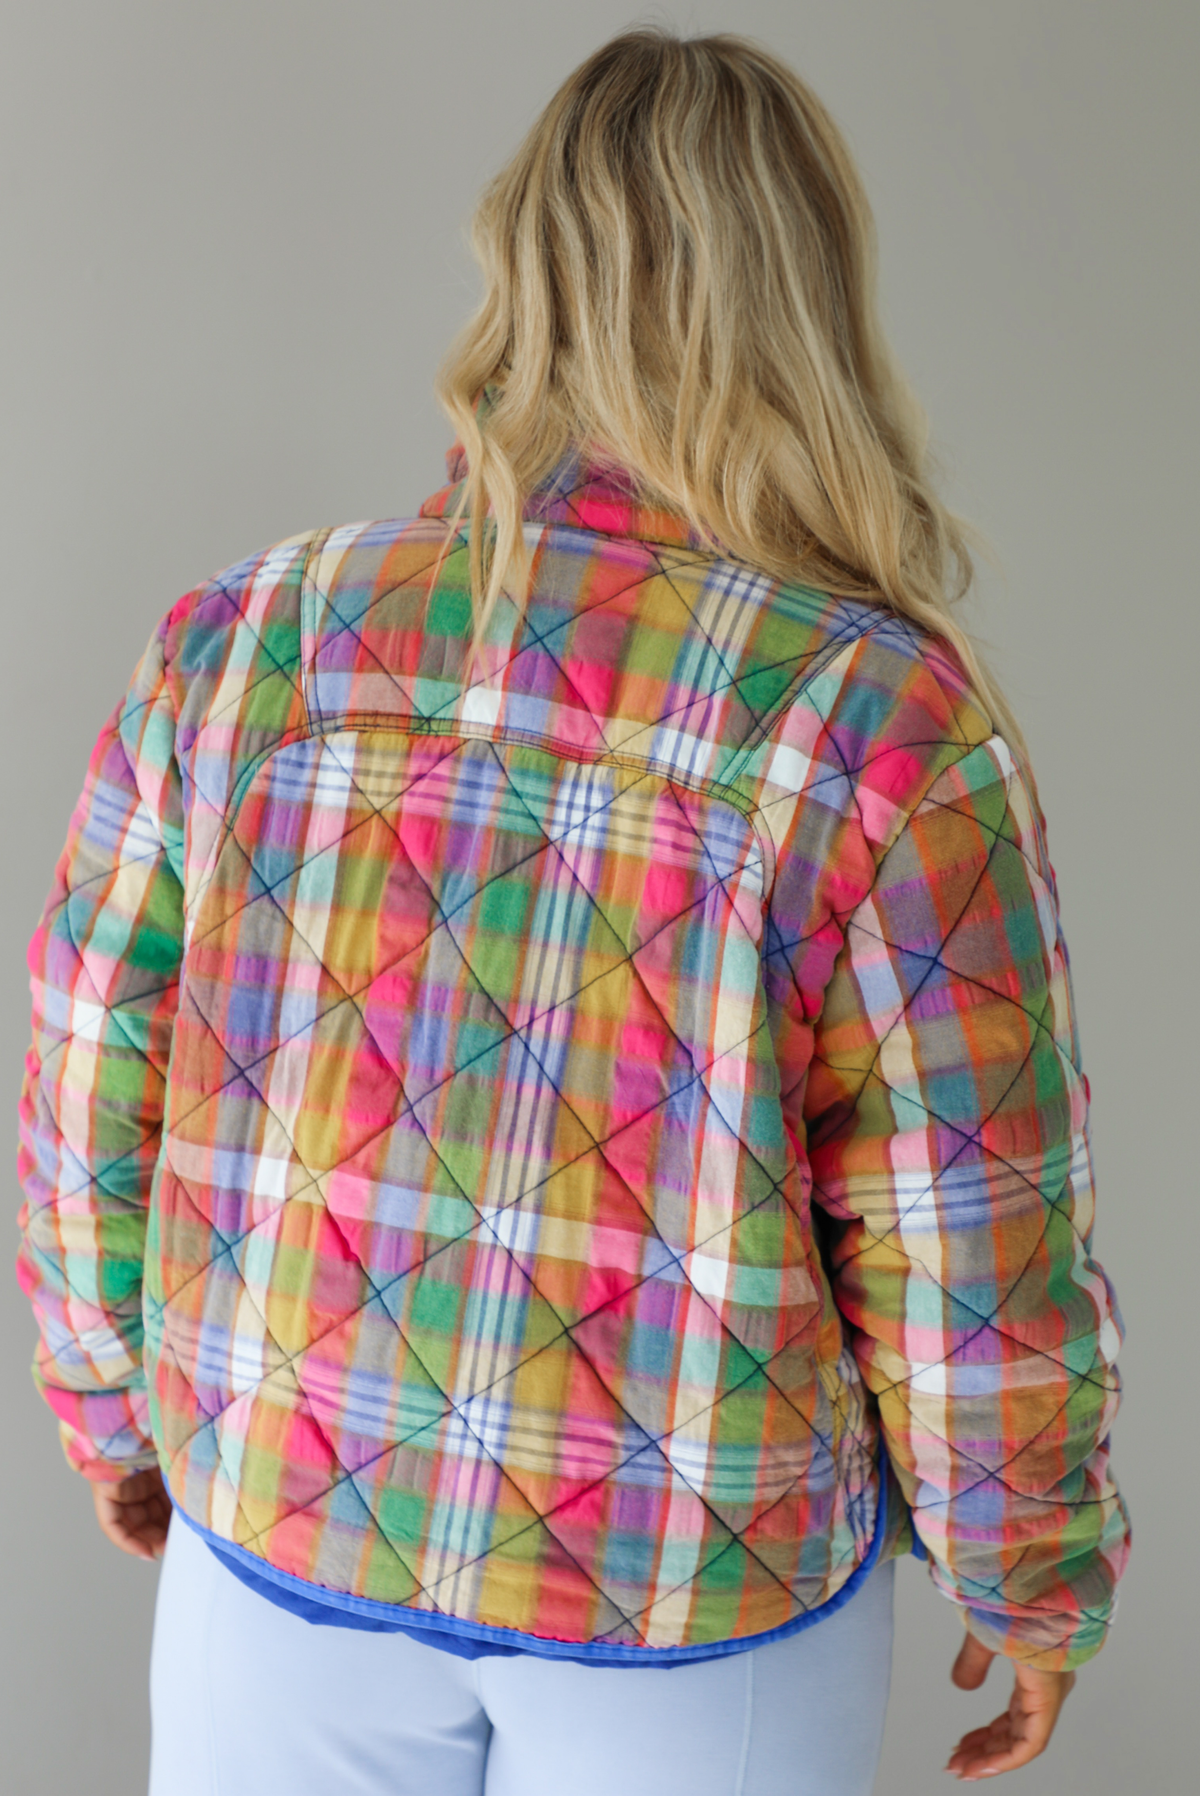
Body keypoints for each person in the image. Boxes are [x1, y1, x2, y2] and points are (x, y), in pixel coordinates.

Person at [15, 27, 1130, 1796]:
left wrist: (104, 1398)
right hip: (696, 1607)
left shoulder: (250, 644)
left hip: (285, 1543)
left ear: (518, 272)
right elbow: (969, 1230)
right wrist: (1030, 1563)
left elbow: (93, 1075)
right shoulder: (885, 724)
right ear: (810, 304)